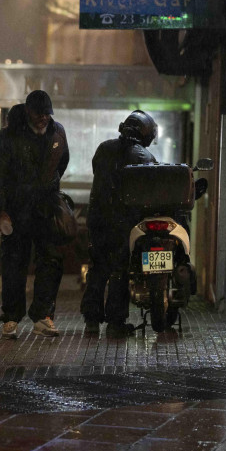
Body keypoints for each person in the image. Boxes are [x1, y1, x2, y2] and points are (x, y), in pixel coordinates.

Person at [0, 90, 69, 339]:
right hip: (17, 210)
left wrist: (49, 187)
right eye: (39, 113)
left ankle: (43, 315)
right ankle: (12, 316)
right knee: (14, 263)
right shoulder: (9, 135)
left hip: (45, 209)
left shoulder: (57, 132)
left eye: (47, 113)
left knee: (51, 260)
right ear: (28, 112)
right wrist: (1, 209)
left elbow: (61, 163)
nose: (44, 118)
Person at [81, 110, 158, 336]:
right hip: (124, 222)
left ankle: (91, 320)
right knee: (119, 271)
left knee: (97, 269)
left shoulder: (104, 149)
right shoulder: (145, 157)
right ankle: (115, 323)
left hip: (97, 219)